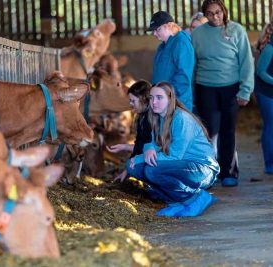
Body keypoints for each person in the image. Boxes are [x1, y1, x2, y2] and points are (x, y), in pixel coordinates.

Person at [119, 82, 220, 217]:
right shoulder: (157, 118)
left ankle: (196, 199)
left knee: (152, 170)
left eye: (159, 97)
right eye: (151, 97)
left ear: (170, 98)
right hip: (180, 166)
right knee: (133, 167)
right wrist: (148, 148)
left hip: (202, 169)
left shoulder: (181, 118)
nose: (154, 102)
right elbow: (154, 144)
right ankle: (174, 203)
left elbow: (175, 155)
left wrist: (141, 157)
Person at [191, 0, 254, 187]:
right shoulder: (198, 34)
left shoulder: (236, 30)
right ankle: (208, 172)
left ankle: (229, 172)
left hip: (230, 87)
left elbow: (246, 61)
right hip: (205, 87)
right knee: (209, 131)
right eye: (210, 14)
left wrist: (245, 89)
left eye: (218, 12)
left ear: (224, 11)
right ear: (205, 15)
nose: (215, 17)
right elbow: (193, 65)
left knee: (228, 130)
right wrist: (193, 90)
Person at [147, 11, 195, 111]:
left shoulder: (181, 43)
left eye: (158, 29)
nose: (154, 34)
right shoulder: (163, 46)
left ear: (169, 26)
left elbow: (183, 76)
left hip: (177, 102)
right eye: (153, 31)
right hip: (162, 101)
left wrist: (169, 97)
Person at [107, 79, 152, 181]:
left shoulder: (152, 119)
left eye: (133, 101)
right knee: (131, 165)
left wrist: (125, 147)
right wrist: (126, 171)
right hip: (153, 156)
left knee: (146, 170)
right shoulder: (142, 117)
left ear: (142, 99)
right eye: (130, 101)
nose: (130, 104)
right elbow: (139, 144)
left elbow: (144, 147)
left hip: (162, 158)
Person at [254, 18, 273, 174]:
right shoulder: (270, 47)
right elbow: (261, 72)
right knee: (271, 124)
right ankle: (269, 164)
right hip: (266, 90)